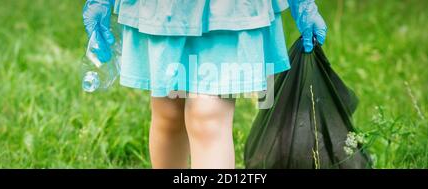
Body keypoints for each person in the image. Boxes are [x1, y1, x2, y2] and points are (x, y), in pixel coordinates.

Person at [83, 0, 326, 169]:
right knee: (168, 112)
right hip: (162, 9)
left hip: (228, 12)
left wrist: (303, 3)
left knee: (207, 115)